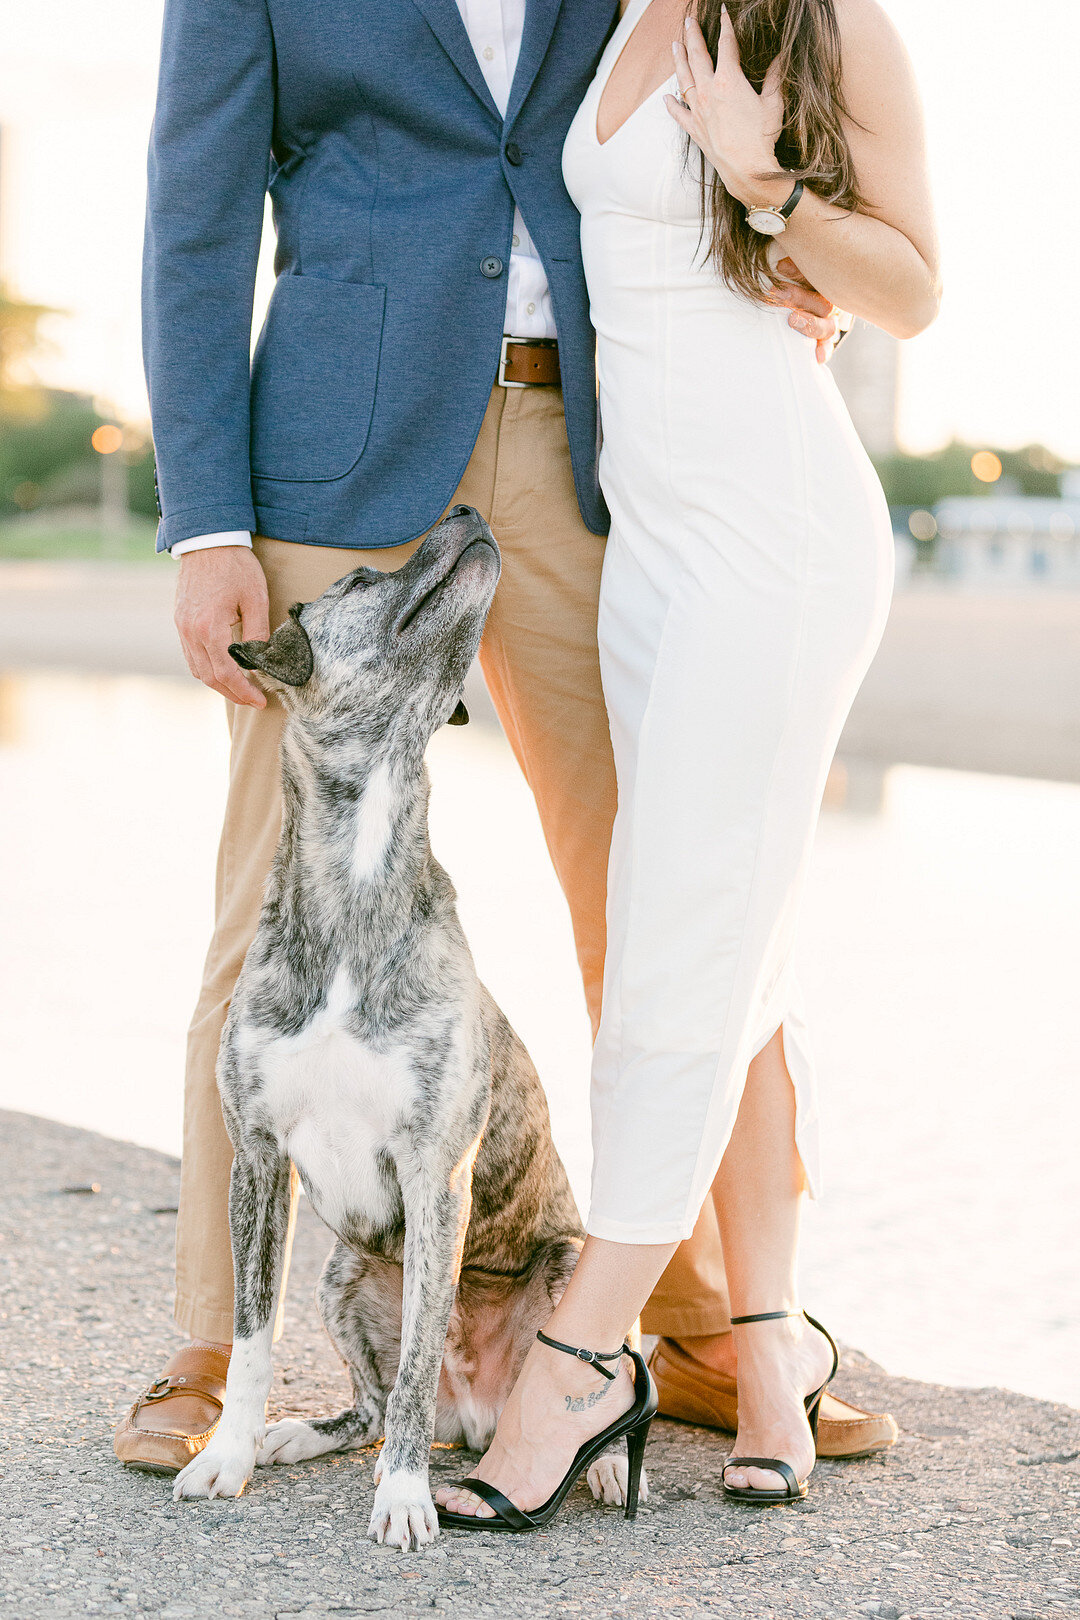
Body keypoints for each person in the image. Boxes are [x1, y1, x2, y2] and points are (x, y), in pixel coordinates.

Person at [115, 0, 897, 1477]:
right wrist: (205, 520)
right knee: (273, 910)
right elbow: (194, 212)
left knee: (671, 898)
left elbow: (735, 100)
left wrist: (806, 264)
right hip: (335, 460)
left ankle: (712, 1320)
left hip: (591, 452)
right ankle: (217, 1343)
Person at [435, 0, 938, 1524]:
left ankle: (586, 1357)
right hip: (649, 546)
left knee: (670, 954)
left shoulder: (828, 21)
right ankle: (770, 1357)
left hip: (773, 538)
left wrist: (774, 187)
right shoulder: (608, 18)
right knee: (743, 956)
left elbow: (911, 290)